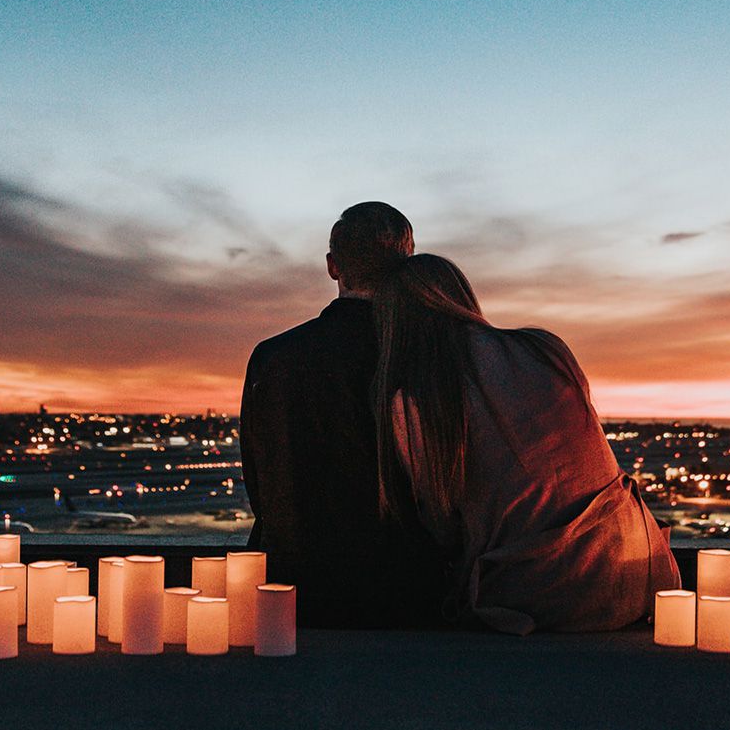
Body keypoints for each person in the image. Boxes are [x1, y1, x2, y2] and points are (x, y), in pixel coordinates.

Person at [372, 253, 680, 634]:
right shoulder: (545, 348)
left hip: (540, 597)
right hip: (640, 572)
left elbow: (441, 527)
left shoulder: (416, 401)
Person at [238, 202, 447, 627]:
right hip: (405, 596)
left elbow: (263, 488)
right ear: (407, 264)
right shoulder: (429, 357)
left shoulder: (272, 358)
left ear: (333, 266)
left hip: (293, 592)